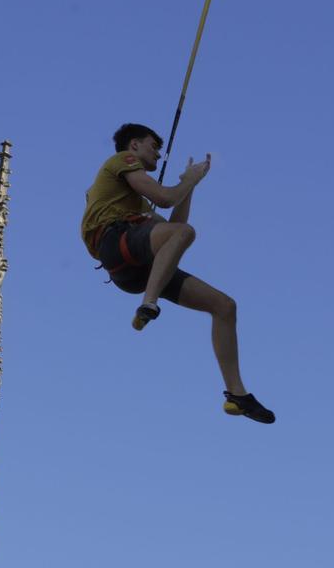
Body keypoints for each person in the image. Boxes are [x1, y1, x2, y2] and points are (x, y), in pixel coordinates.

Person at [81, 124, 275, 424]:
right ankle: (150, 302)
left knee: (224, 306)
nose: (158, 153)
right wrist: (187, 181)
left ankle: (237, 395)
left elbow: (172, 222)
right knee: (184, 233)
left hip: (136, 269)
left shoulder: (136, 203)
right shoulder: (120, 161)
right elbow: (166, 199)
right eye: (153, 146)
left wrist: (190, 185)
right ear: (133, 146)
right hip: (117, 246)